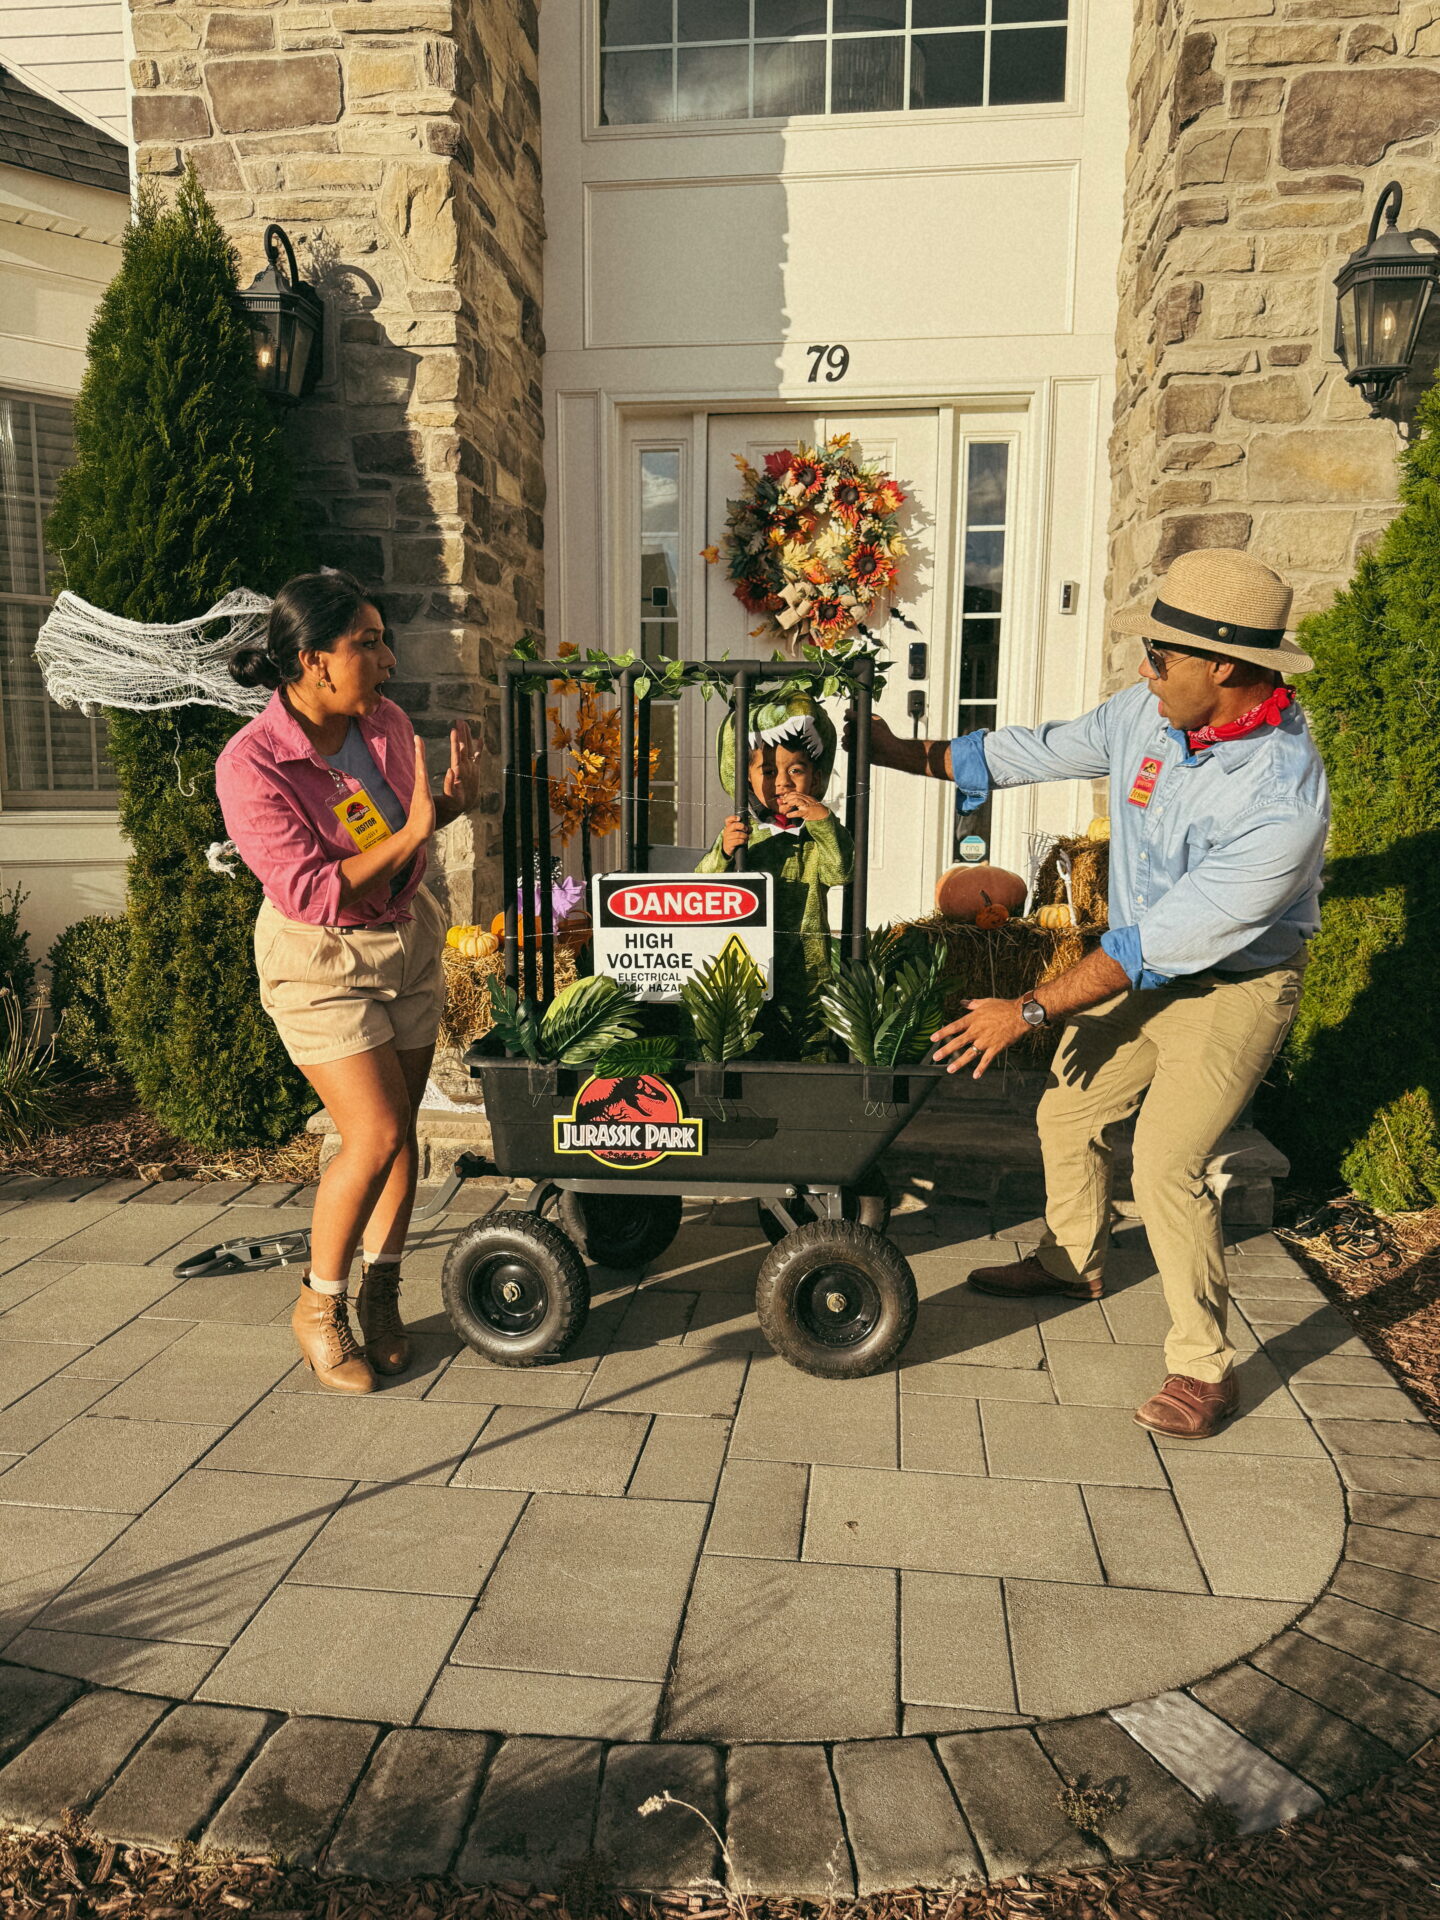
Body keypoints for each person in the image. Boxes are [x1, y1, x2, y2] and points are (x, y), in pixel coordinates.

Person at [861, 548, 1329, 1439]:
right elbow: (1029, 751)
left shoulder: (1281, 802)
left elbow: (1166, 943)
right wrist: (890, 751)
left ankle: (1203, 1367)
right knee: (1068, 1112)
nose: (1142, 672)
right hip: (1144, 963)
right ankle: (1072, 1261)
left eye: (1158, 656)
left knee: (1165, 1164)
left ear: (1222, 667)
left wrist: (1030, 1007)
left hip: (1234, 984)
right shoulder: (1148, 718)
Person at [216, 570, 482, 1394]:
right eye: (365, 642)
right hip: (320, 962)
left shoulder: (389, 724)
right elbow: (313, 891)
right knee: (369, 1136)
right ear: (310, 661)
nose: (388, 659)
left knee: (402, 1132)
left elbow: (408, 842)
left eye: (381, 638)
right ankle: (317, 1305)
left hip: (404, 944)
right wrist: (410, 832)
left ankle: (382, 1290)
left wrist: (449, 806)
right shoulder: (252, 764)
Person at [698, 691, 854, 1048]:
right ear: (746, 780)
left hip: (807, 972)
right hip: (746, 968)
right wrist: (723, 852)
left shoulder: (818, 839)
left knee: (810, 1045)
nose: (782, 782)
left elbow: (841, 871)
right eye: (768, 771)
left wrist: (825, 822)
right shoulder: (743, 838)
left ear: (815, 780)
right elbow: (703, 888)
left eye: (795, 770)